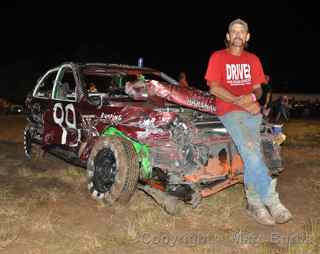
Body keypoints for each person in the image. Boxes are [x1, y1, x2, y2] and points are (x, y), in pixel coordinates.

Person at [205, 18, 292, 225]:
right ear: (228, 36)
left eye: (241, 32)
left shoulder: (253, 59)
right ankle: (272, 201)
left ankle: (254, 204)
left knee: (254, 155)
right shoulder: (218, 57)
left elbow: (258, 88)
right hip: (230, 111)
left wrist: (252, 98)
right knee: (252, 152)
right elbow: (214, 88)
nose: (237, 35)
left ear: (247, 37)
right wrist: (238, 100)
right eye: (233, 31)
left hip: (252, 111)